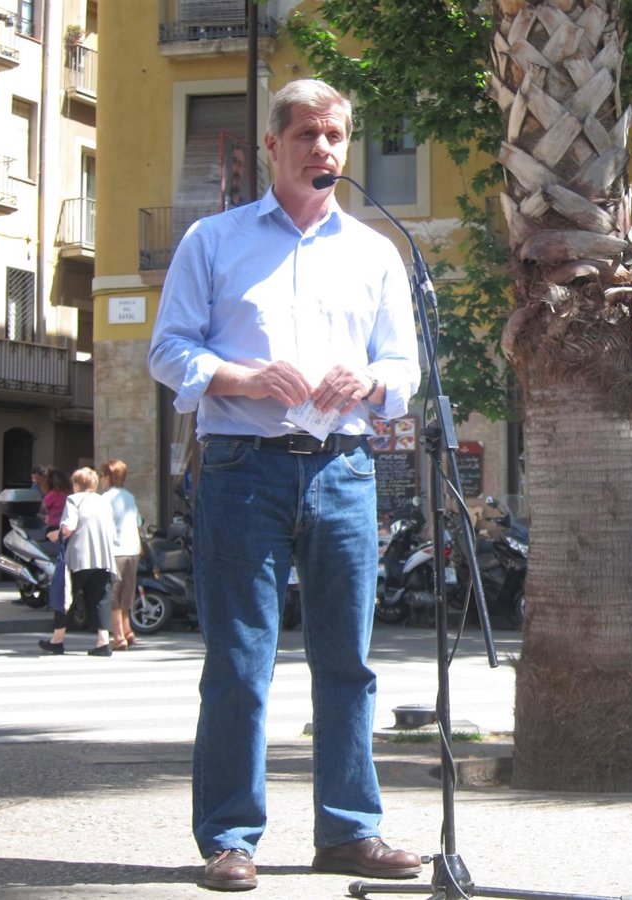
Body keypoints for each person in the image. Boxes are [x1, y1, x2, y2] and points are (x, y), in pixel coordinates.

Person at [148, 78, 422, 892]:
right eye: (306, 134)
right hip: (242, 468)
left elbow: (405, 369)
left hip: (344, 468)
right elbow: (168, 350)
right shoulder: (213, 241)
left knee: (349, 662)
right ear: (272, 146)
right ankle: (231, 838)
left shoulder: (375, 251)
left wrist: (370, 382)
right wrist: (241, 377)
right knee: (240, 662)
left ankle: (349, 831)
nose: (322, 148)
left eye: (334, 135)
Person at [38, 467, 118, 657]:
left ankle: (57, 640)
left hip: (79, 557)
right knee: (100, 598)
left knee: (65, 595)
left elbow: (68, 528)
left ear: (77, 484)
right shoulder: (104, 502)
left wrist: (55, 534)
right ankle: (103, 642)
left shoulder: (74, 500)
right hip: (103, 557)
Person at [100, 459, 142, 650]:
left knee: (113, 594)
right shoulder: (130, 497)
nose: (101, 479)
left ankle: (118, 636)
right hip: (133, 549)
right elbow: (138, 521)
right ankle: (127, 630)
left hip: (115, 550)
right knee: (127, 592)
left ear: (109, 477)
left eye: (102, 475)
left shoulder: (105, 498)